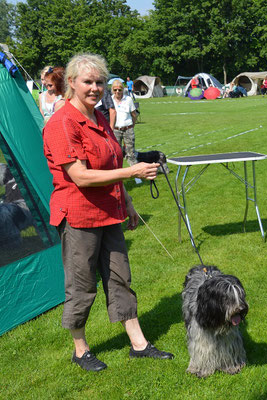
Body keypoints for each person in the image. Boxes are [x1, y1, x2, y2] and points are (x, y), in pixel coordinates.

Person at [42, 53, 173, 372]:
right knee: (82, 283)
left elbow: (112, 164)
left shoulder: (100, 118)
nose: (95, 87)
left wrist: (127, 202)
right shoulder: (61, 123)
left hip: (110, 213)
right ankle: (80, 349)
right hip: (78, 216)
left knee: (120, 279)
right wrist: (132, 173)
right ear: (71, 83)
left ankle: (139, 344)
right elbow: (81, 176)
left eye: (100, 81)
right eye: (88, 81)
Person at [112, 80, 138, 166]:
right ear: (112, 90)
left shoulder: (128, 99)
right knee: (116, 154)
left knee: (131, 153)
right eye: (115, 90)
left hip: (128, 129)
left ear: (123, 89)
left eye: (119, 89)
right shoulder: (110, 100)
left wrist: (131, 127)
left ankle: (136, 176)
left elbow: (134, 115)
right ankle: (117, 174)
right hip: (115, 130)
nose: (117, 92)